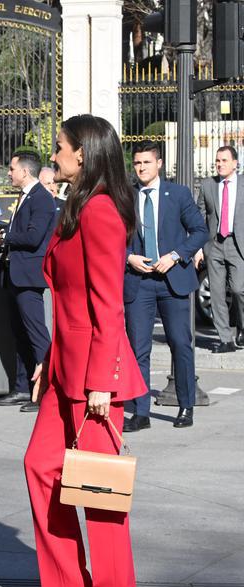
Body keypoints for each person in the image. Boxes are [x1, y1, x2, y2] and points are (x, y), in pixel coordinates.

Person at [21, 114, 146, 587]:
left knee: (96, 486)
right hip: (63, 368)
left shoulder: (99, 212)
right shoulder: (74, 206)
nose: (54, 156)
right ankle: (66, 585)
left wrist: (102, 380)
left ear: (84, 154)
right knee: (40, 467)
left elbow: (108, 306)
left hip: (95, 372)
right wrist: (48, 360)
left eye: (60, 148)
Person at [123, 141, 207, 432]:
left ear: (158, 164)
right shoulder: (125, 197)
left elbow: (200, 231)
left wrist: (175, 256)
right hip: (139, 282)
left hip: (173, 281)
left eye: (146, 162)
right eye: (137, 163)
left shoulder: (178, 194)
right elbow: (112, 239)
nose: (141, 168)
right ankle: (140, 412)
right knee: (138, 348)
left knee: (181, 344)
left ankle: (186, 405)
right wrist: (129, 257)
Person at [0, 150, 56, 412]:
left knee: (37, 335)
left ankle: (47, 391)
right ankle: (23, 387)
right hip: (16, 275)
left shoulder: (41, 199)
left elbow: (33, 237)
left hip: (29, 278)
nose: (9, 172)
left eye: (12, 168)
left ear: (25, 171)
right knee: (20, 333)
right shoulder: (26, 196)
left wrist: (2, 238)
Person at [197, 145, 244, 353]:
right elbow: (199, 217)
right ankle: (225, 340)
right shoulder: (208, 185)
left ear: (235, 163)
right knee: (216, 293)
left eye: (224, 160)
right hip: (214, 244)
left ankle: (242, 327)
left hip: (238, 244)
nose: (219, 164)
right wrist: (198, 246)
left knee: (238, 289)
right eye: (217, 160)